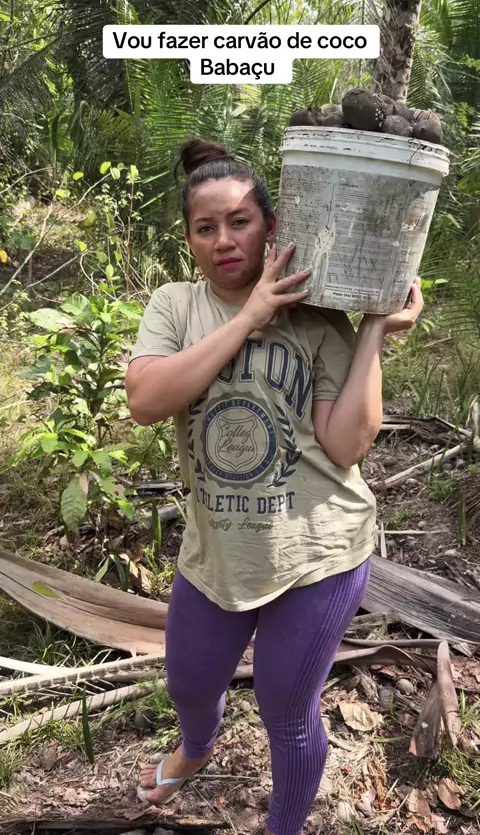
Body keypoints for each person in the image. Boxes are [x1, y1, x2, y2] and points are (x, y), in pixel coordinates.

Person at [125, 137, 423, 835]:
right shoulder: (176, 306)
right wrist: (249, 318)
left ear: (272, 226)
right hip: (217, 553)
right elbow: (145, 400)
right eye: (206, 227)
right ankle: (197, 748)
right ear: (189, 239)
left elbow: (346, 445)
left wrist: (374, 331)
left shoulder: (319, 317)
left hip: (317, 552)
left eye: (240, 221)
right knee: (188, 684)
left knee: (286, 712)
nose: (224, 241)